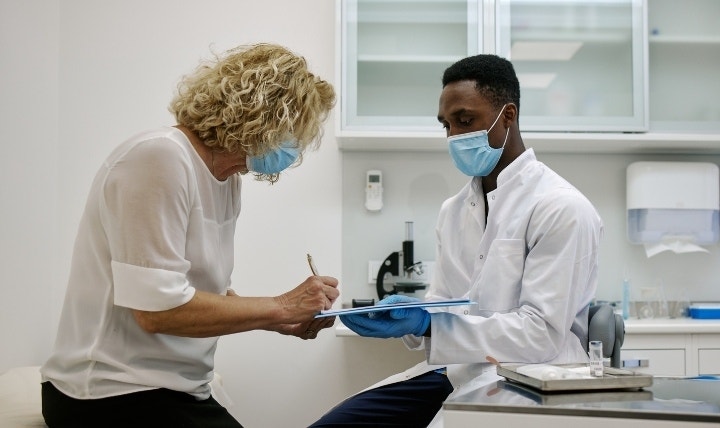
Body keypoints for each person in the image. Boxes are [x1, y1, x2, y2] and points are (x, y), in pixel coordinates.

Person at [40, 43, 338, 428]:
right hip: (106, 392)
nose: (293, 149)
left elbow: (203, 296)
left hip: (172, 389)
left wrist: (282, 320)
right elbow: (156, 310)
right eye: (292, 133)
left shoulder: (225, 179)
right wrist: (282, 305)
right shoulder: (158, 158)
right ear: (260, 114)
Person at [309, 54, 603, 427]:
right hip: (459, 371)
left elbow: (540, 335)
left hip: (533, 381)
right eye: (447, 125)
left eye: (465, 121)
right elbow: (444, 305)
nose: (454, 136)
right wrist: (408, 317)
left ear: (507, 115)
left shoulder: (562, 208)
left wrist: (427, 324)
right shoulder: (454, 211)